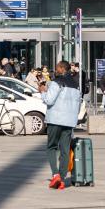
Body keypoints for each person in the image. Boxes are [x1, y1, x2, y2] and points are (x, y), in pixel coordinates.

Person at [38, 60, 82, 190]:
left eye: (57, 67)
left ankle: (56, 174)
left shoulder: (57, 82)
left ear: (62, 69)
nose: (55, 69)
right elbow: (78, 105)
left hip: (55, 119)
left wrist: (42, 91)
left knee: (51, 147)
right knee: (65, 150)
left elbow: (49, 100)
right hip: (69, 121)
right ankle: (62, 180)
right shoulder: (75, 85)